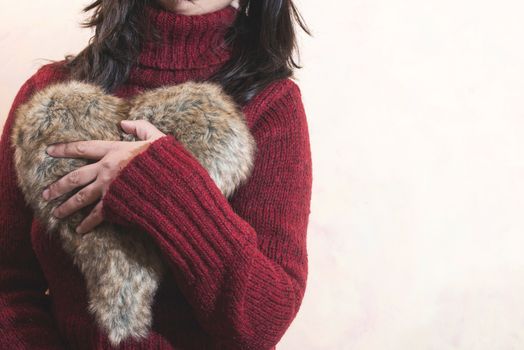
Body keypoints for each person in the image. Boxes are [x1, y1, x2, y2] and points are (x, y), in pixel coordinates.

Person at [0, 0, 312, 348]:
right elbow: (7, 282)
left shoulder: (272, 105)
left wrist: (162, 183)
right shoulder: (47, 97)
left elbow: (262, 323)